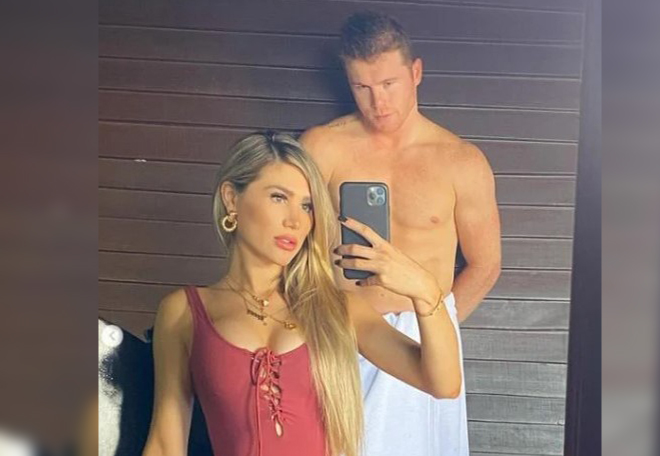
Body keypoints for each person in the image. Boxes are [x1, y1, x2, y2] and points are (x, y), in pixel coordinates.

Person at [141, 131, 462, 456]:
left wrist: (425, 291)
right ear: (232, 199)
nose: (295, 221)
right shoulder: (183, 312)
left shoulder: (340, 309)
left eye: (307, 206)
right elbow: (166, 444)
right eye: (279, 197)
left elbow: (443, 383)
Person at [300, 11, 502, 456]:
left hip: (422, 341)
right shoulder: (321, 146)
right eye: (362, 87)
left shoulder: (461, 161)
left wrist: (434, 328)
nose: (378, 102)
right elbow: (291, 244)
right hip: (343, 332)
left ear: (416, 72)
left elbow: (486, 265)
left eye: (389, 84)